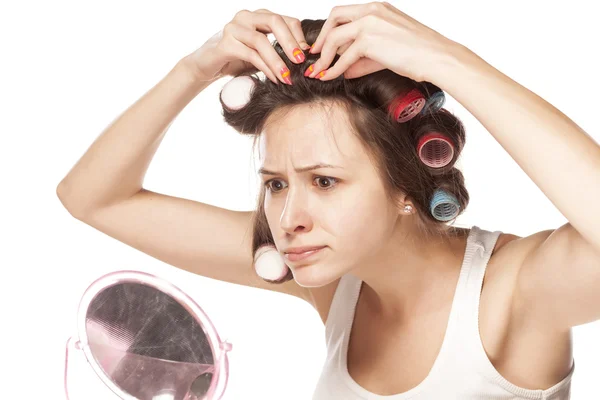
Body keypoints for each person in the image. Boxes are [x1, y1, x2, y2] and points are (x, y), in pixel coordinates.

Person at [57, 2, 600, 398]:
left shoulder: (513, 295)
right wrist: (195, 69)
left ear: (404, 187)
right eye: (275, 184)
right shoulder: (336, 283)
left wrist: (449, 61)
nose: (288, 220)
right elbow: (92, 198)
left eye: (324, 182)